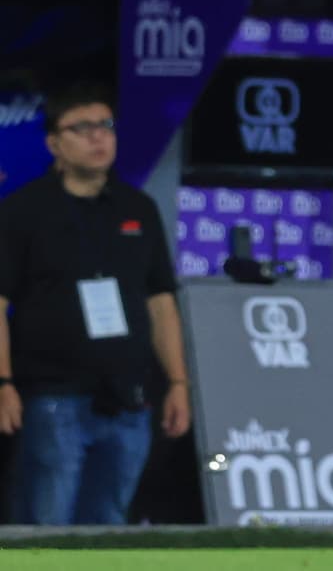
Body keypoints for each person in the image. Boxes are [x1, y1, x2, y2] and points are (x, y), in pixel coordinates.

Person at [0, 83, 191, 525]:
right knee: (48, 525)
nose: (97, 137)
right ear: (54, 144)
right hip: (51, 398)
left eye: (105, 126)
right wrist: (3, 381)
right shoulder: (23, 211)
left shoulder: (138, 208)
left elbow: (160, 300)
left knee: (110, 527)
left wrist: (178, 382)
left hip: (129, 400)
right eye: (81, 128)